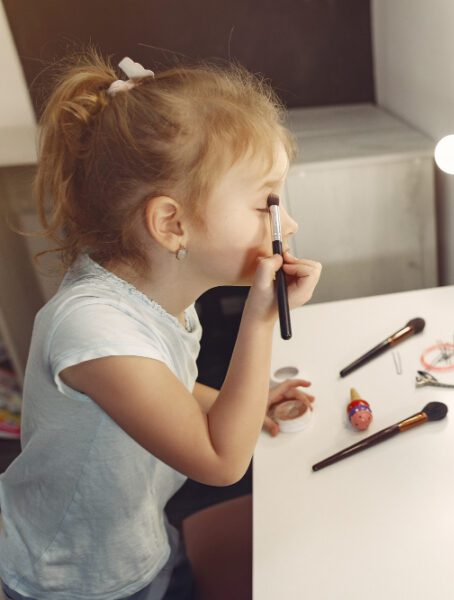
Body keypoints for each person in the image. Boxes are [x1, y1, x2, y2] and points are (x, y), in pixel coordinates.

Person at [0, 50, 321, 599]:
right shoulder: (95, 330)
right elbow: (221, 462)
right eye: (266, 205)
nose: (287, 224)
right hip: (73, 577)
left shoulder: (151, 292)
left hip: (138, 534)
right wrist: (260, 319)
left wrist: (244, 404)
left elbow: (165, 388)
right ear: (171, 224)